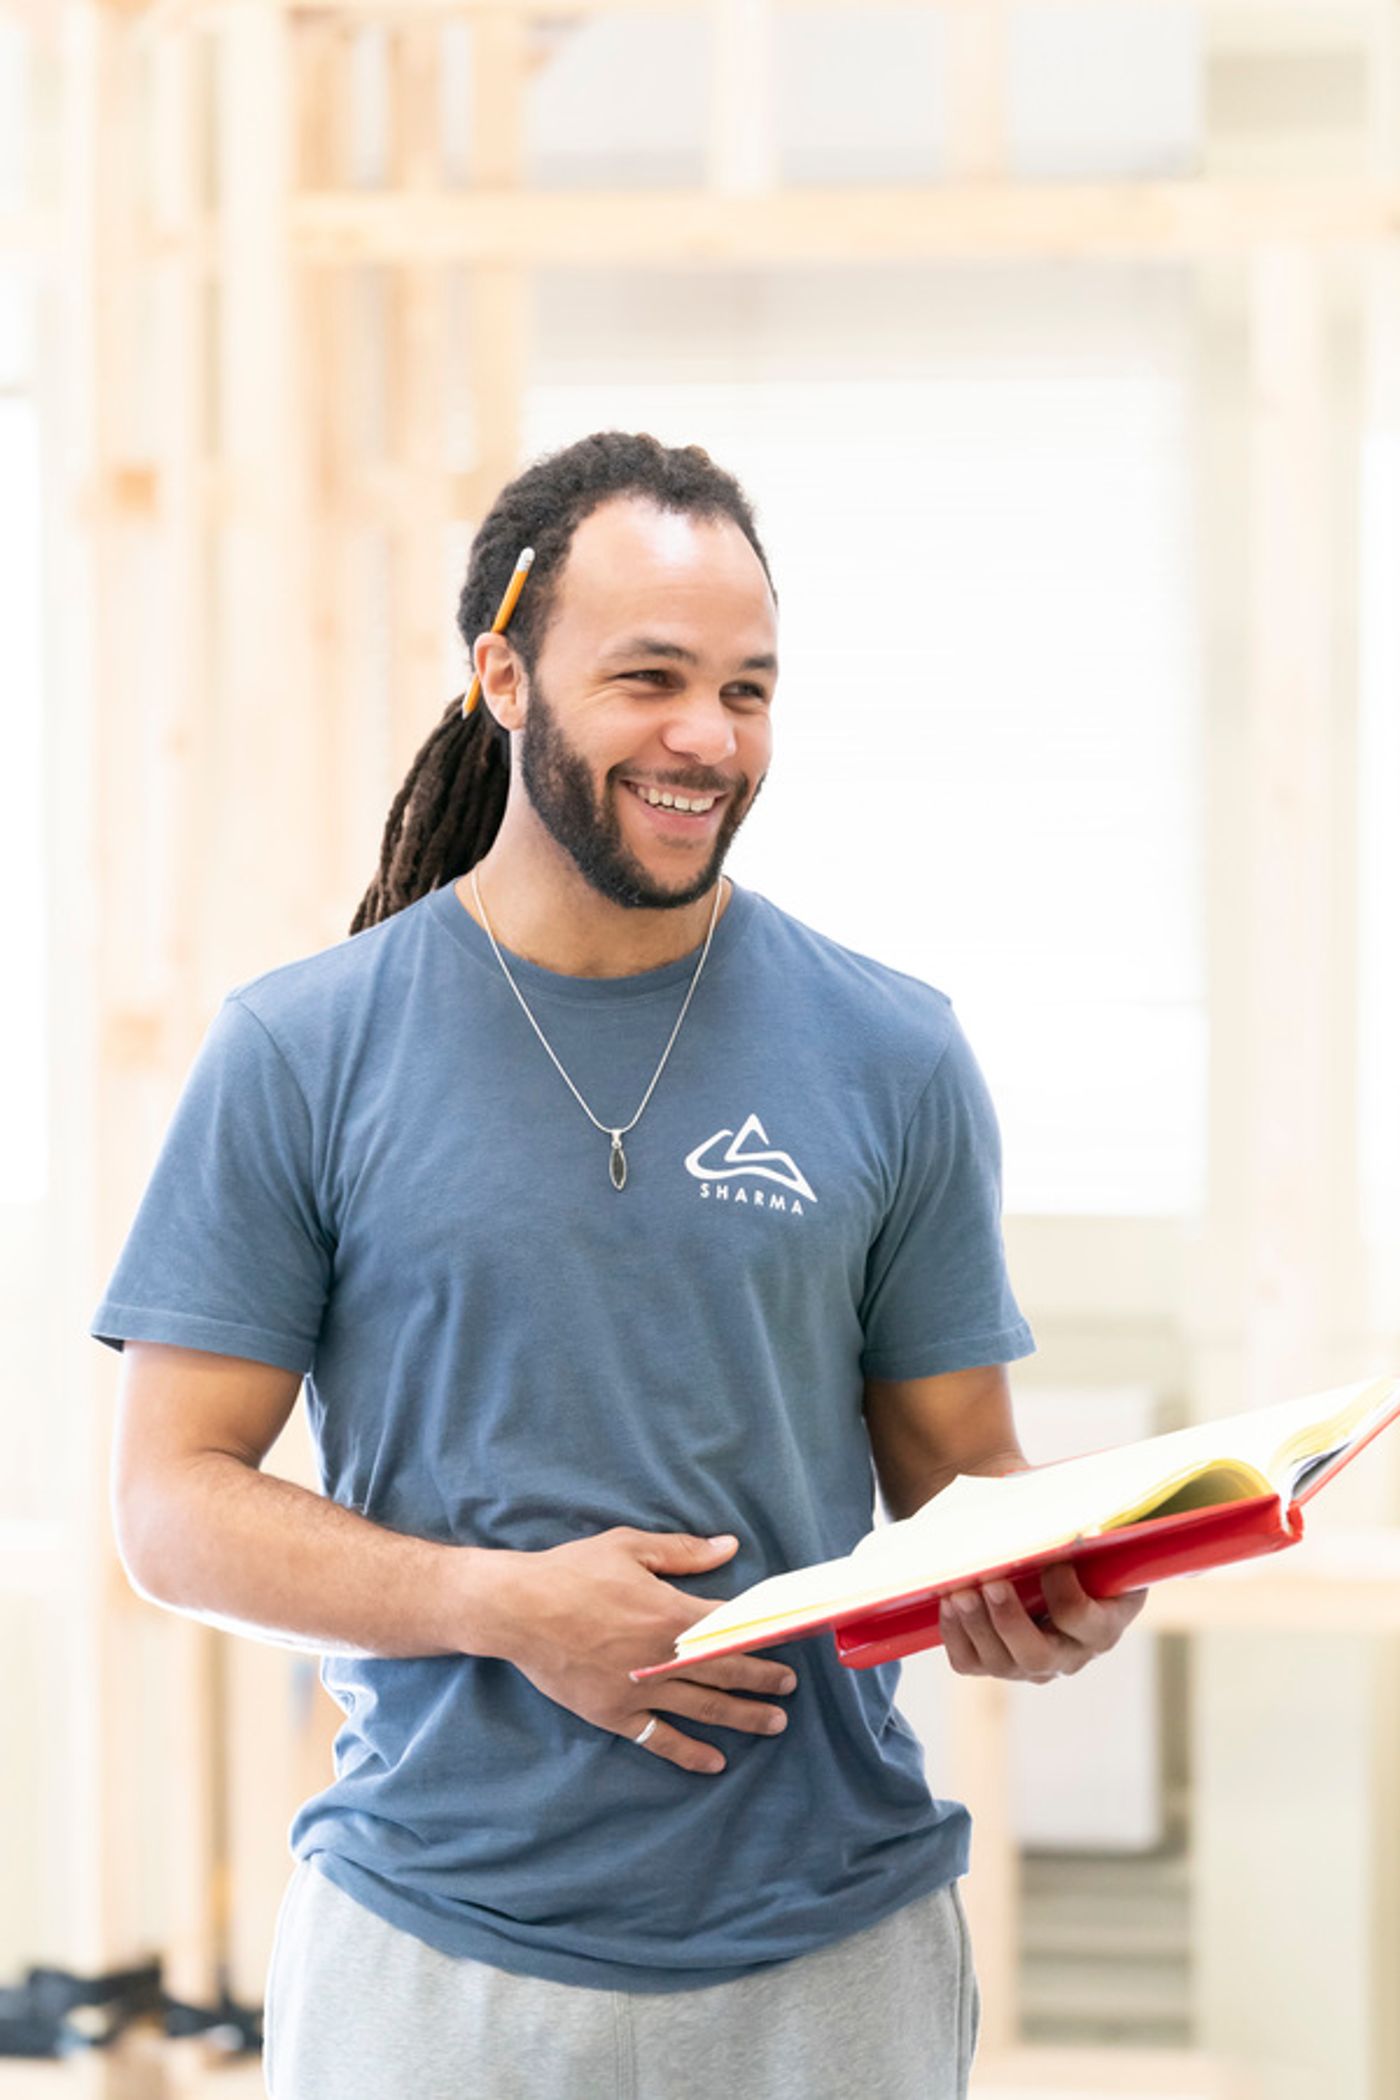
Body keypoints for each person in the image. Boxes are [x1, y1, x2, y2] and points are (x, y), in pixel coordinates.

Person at [91, 431, 1146, 2099]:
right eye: (650, 678)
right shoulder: (305, 1050)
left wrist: (1042, 1592)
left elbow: (962, 1485)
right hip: (428, 1952)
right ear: (504, 676)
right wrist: (493, 1605)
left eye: (748, 690)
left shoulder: (894, 1050)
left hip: (833, 1953)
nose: (706, 740)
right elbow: (169, 1507)